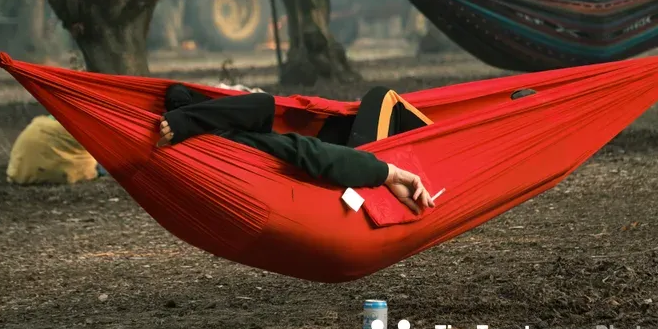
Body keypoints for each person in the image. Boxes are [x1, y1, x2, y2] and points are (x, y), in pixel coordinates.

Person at [155, 84, 539, 214]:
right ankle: (484, 132)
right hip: (349, 167)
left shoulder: (206, 144)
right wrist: (388, 173)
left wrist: (187, 117)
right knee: (384, 99)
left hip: (319, 156)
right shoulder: (232, 142)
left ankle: (490, 126)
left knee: (343, 118)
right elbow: (306, 150)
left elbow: (175, 94)